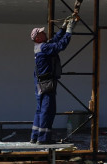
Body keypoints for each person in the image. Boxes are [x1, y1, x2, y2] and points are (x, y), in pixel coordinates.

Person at [29, 16, 76, 144]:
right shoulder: (44, 48)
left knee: (40, 109)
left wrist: (62, 28)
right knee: (47, 110)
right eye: (42, 32)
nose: (45, 33)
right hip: (46, 83)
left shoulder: (40, 47)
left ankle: (35, 136)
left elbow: (54, 40)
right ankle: (43, 138)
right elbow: (60, 45)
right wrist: (69, 31)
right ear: (38, 38)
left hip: (40, 83)